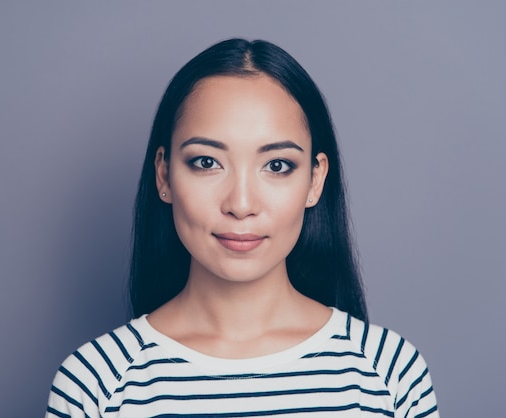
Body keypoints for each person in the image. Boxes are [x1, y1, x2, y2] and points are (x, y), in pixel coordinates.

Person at [46, 38, 439, 418]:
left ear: (315, 181)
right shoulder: (95, 385)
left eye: (277, 165)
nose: (241, 204)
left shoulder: (389, 374)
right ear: (163, 175)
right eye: (206, 163)